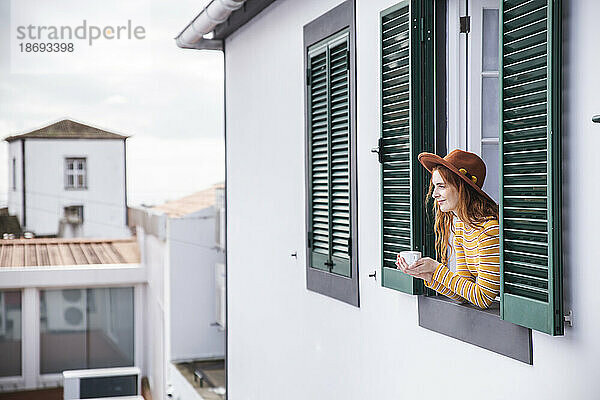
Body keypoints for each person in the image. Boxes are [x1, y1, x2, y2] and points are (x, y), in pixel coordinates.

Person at [395, 149, 500, 309]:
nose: (434, 194)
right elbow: (463, 293)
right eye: (434, 187)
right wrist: (429, 275)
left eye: (441, 186)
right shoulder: (462, 226)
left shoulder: (488, 230)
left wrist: (437, 269)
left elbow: (483, 297)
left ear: (462, 187)